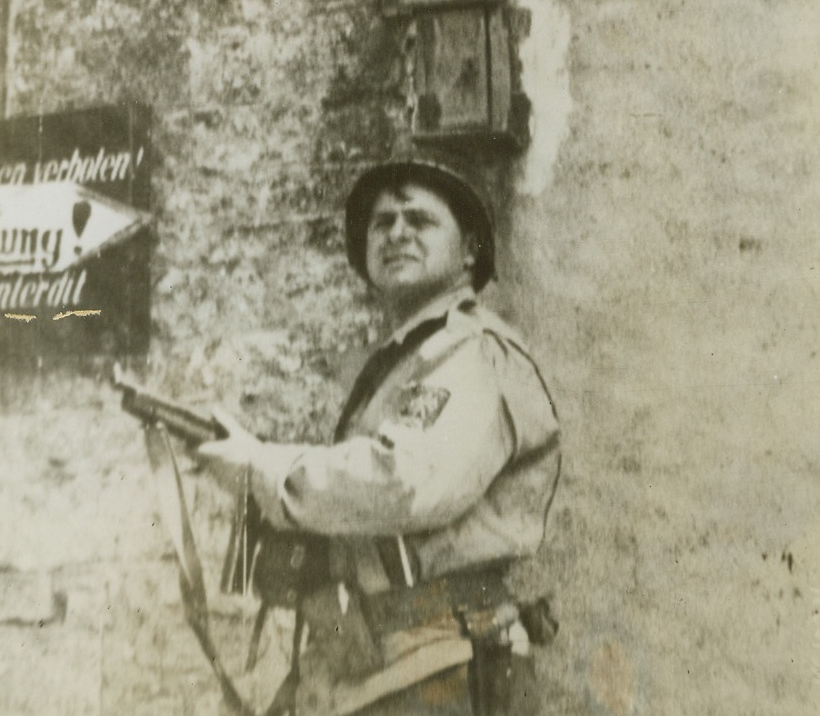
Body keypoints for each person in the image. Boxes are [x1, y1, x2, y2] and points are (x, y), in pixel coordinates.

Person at [199, 152, 560, 716]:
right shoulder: (406, 361)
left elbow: (403, 484)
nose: (396, 233)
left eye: (419, 220)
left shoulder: (473, 351)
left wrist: (262, 468)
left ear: (469, 251)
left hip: (437, 662)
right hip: (375, 661)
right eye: (382, 222)